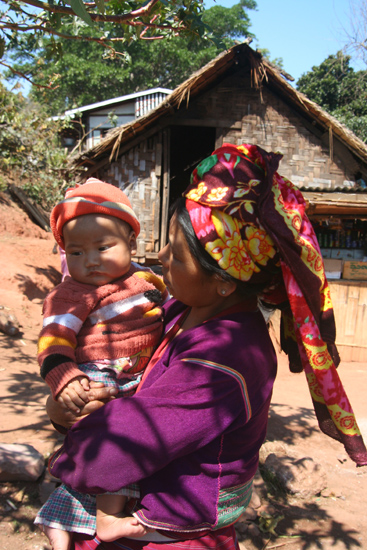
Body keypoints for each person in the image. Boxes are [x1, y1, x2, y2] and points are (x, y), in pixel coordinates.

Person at [46, 143, 367, 550]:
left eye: (177, 255)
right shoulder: (180, 309)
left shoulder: (225, 360)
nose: (161, 257)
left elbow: (116, 448)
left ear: (225, 280)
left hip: (170, 537)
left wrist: (67, 427)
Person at [35, 178, 168, 549]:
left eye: (103, 247)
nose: (90, 261)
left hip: (135, 374)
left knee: (99, 456)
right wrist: (65, 379)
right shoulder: (70, 294)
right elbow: (54, 340)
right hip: (97, 374)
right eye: (75, 252)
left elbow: (165, 309)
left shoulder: (144, 279)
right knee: (118, 443)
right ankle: (108, 518)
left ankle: (59, 520)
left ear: (132, 244)